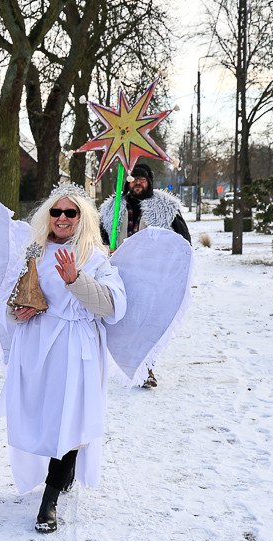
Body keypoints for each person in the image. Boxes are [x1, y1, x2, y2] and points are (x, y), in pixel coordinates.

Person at [0, 184, 126, 533]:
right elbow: (14, 295)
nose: (63, 218)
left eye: (71, 213)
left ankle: (50, 498)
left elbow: (112, 306)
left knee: (70, 419)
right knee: (42, 417)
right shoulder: (35, 250)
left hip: (75, 346)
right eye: (56, 212)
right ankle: (57, 476)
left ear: (82, 217)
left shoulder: (95, 257)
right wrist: (18, 312)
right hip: (37, 344)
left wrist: (76, 279)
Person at [100, 162, 191, 388]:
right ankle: (117, 364)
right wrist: (105, 249)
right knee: (119, 321)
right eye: (133, 178)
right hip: (119, 274)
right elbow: (98, 238)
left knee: (147, 322)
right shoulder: (112, 208)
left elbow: (183, 241)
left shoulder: (166, 207)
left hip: (152, 277)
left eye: (142, 179)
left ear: (150, 182)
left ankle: (146, 367)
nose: (138, 182)